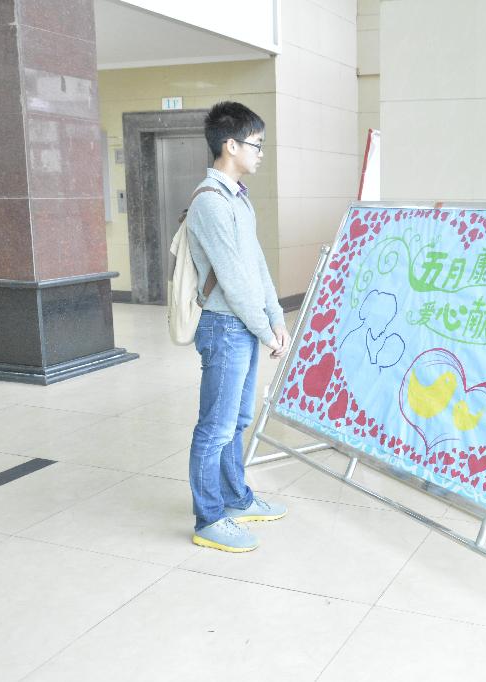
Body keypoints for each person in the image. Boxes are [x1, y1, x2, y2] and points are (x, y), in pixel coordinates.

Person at [185, 101, 290, 552]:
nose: (260, 153)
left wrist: (276, 318)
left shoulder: (238, 199)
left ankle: (235, 498)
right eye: (256, 144)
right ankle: (209, 518)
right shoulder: (210, 202)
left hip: (242, 326)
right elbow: (232, 277)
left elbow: (257, 266)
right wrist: (266, 331)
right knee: (216, 427)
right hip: (225, 327)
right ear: (230, 145)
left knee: (237, 420)